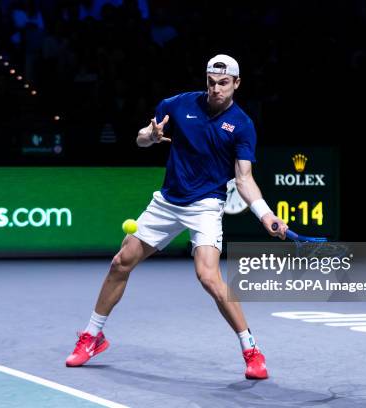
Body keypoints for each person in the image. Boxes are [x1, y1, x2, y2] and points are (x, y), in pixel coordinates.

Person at [65, 54, 288, 380]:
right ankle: (93, 336)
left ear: (237, 83)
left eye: (224, 83)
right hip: (168, 202)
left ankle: (252, 349)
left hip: (206, 206)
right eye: (211, 82)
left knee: (209, 278)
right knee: (120, 262)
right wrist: (150, 137)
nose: (216, 89)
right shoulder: (178, 104)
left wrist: (265, 214)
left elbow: (243, 178)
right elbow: (141, 138)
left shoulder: (242, 125)